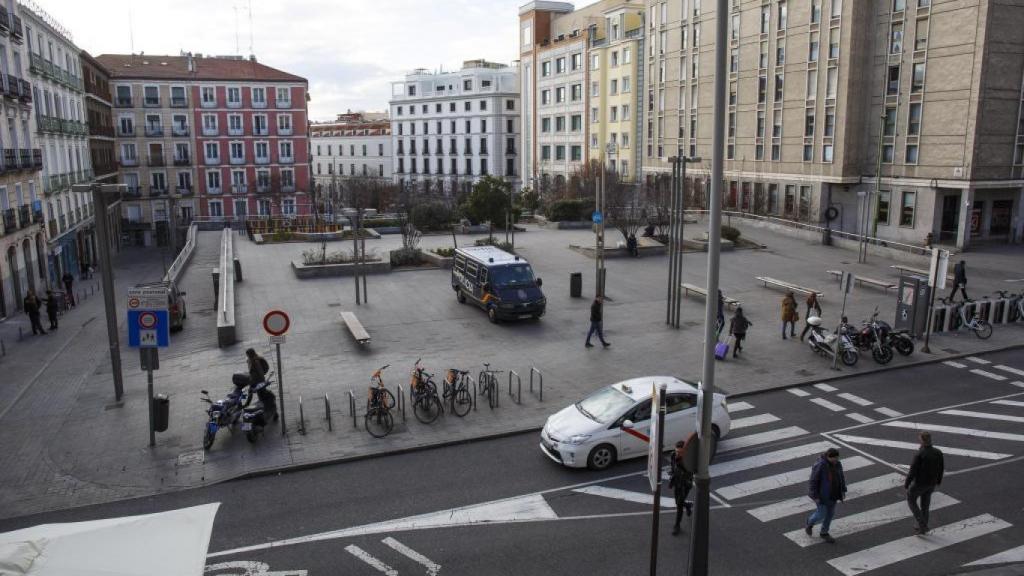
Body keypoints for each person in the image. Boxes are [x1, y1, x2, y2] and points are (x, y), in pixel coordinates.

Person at [804, 447, 847, 544]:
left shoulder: (837, 464)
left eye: (837, 457)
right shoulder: (820, 465)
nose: (836, 460)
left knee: (830, 514)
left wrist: (843, 490)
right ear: (828, 457)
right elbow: (813, 481)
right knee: (821, 514)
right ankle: (810, 522)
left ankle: (824, 533)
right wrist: (815, 496)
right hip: (822, 496)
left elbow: (841, 477)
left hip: (834, 494)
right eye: (834, 458)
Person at [905, 431, 944, 535]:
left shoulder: (920, 454)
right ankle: (923, 527)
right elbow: (941, 468)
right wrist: (938, 480)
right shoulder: (938, 452)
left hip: (919, 483)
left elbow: (912, 471)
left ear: (922, 440)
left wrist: (907, 483)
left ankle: (922, 524)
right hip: (932, 483)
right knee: (925, 505)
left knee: (911, 499)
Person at [669, 437, 695, 535]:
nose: (678, 454)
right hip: (676, 482)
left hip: (685, 484)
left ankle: (677, 525)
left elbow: (690, 472)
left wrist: (680, 465)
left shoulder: (688, 460)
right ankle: (688, 505)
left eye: (680, 452)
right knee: (678, 502)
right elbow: (672, 466)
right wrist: (672, 473)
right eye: (677, 451)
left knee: (679, 504)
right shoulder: (673, 455)